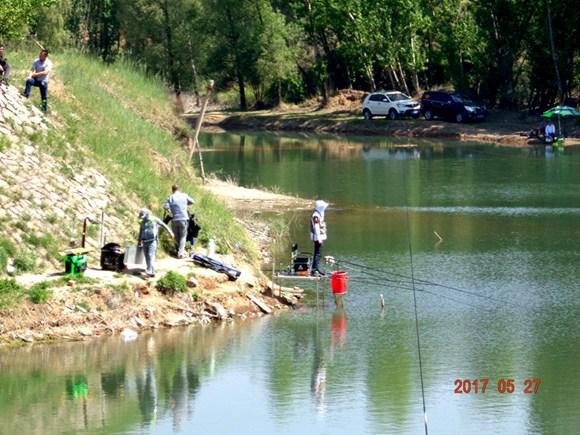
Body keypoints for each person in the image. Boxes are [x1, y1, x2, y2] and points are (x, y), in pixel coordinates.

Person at [137, 208, 173, 277]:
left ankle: (150, 271)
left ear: (147, 214)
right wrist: (139, 240)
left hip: (152, 241)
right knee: (147, 256)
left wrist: (170, 232)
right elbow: (141, 230)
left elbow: (163, 225)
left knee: (151, 256)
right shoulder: (142, 221)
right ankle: (150, 270)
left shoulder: (154, 219)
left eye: (143, 216)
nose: (142, 217)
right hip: (144, 241)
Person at [163, 184, 195, 258]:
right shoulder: (184, 195)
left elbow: (165, 206)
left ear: (172, 190)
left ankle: (178, 250)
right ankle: (181, 253)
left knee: (176, 237)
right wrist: (185, 204)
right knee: (183, 236)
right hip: (184, 219)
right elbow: (192, 201)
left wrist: (171, 208)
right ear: (179, 189)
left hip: (174, 219)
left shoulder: (171, 197)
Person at [310, 199, 329, 276]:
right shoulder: (316, 215)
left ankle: (316, 268)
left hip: (319, 237)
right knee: (317, 253)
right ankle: (314, 269)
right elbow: (316, 227)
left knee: (318, 253)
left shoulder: (318, 214)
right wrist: (319, 239)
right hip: (317, 238)